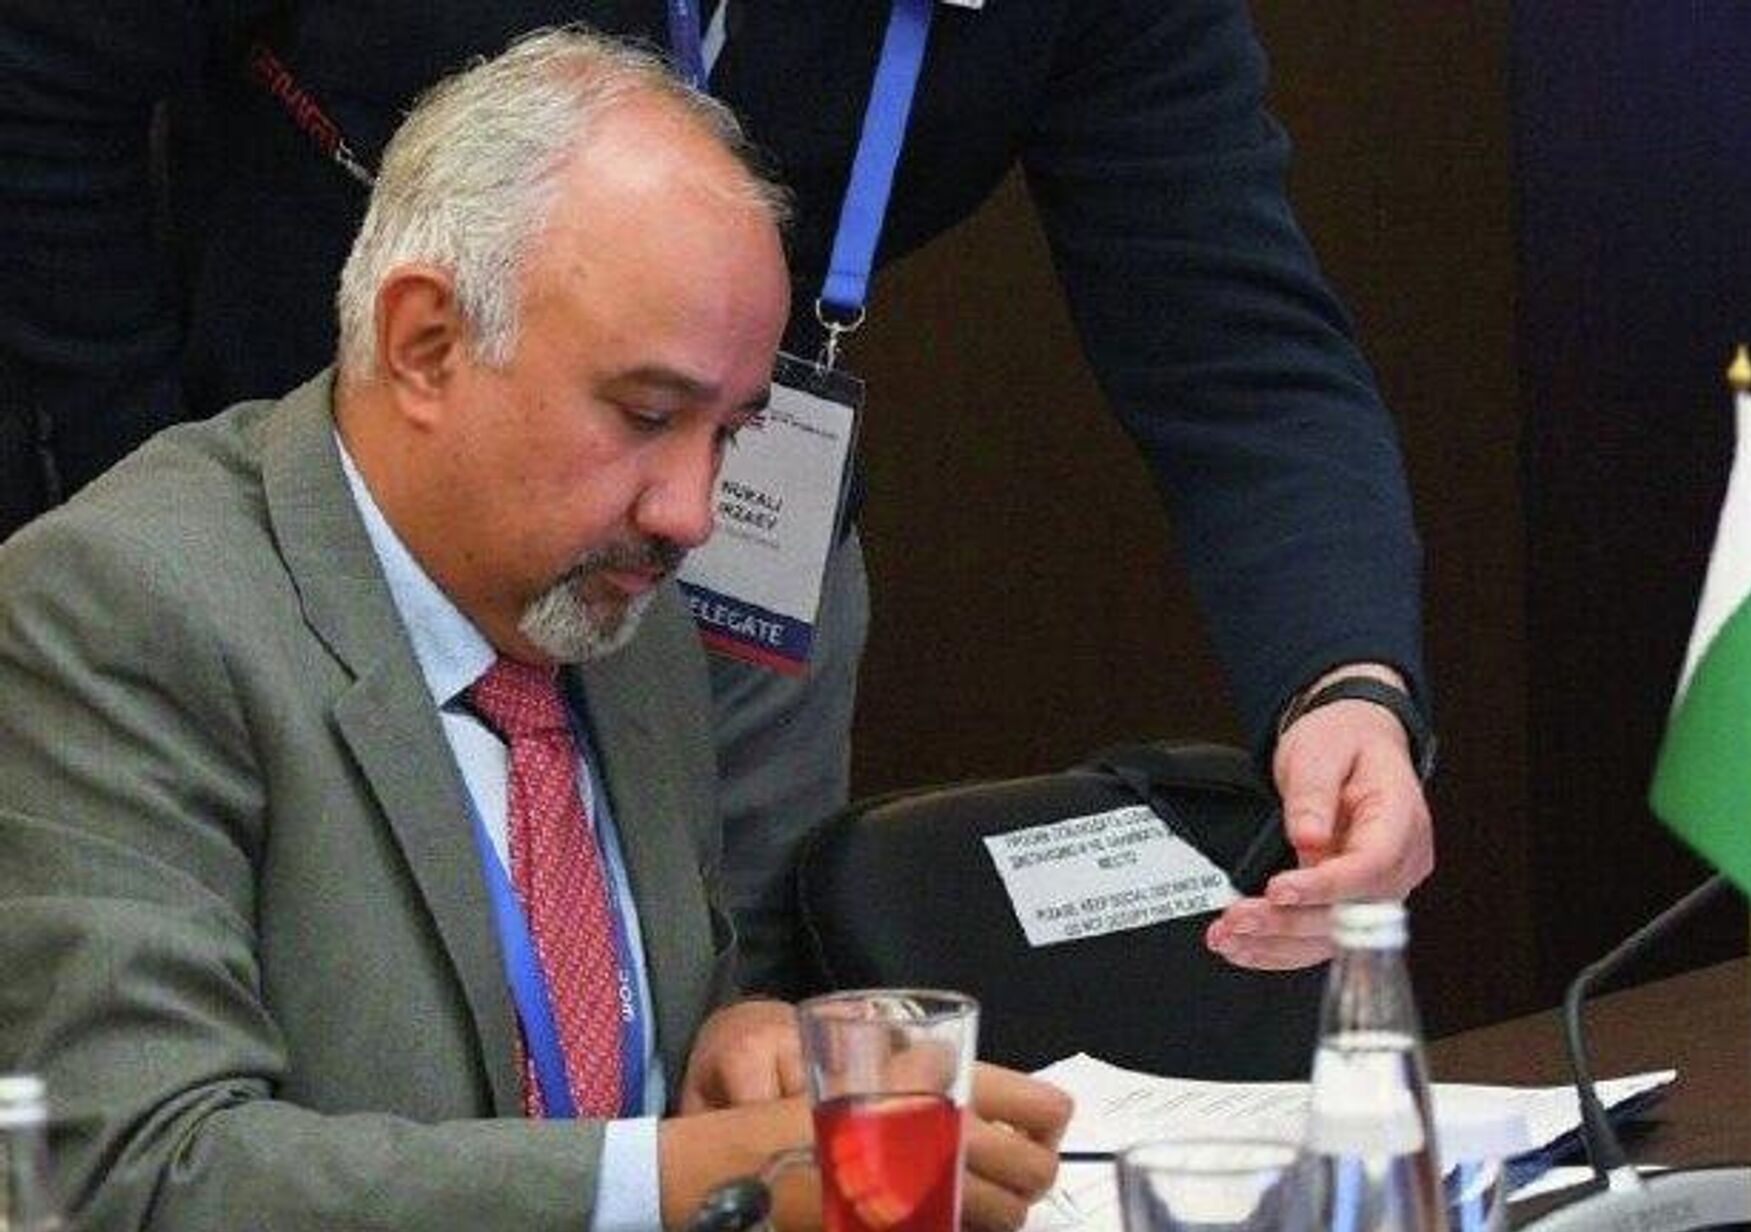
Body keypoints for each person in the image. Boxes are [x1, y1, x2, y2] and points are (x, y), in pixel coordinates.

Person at [0, 0, 1434, 985]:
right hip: (341, 499)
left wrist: (1345, 685)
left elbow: (1232, 338)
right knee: (348, 1028)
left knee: (718, 1039)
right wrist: (169, 504)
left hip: (749, 555)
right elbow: (43, 78)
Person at [0, 30, 1069, 1232]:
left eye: (727, 435)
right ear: (425, 343)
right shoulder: (125, 609)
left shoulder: (620, 611)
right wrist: (692, 1178)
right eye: (647, 415)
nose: (689, 513)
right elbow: (136, 1186)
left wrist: (725, 1049)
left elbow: (581, 1062)